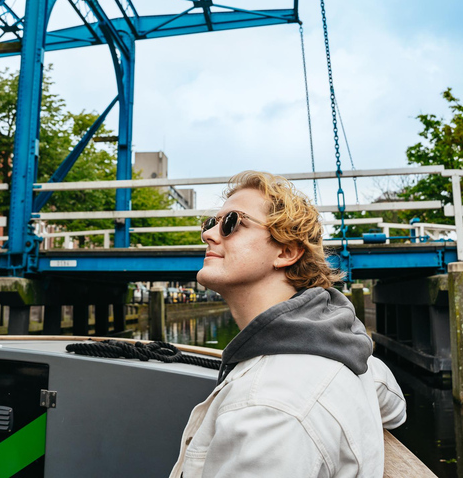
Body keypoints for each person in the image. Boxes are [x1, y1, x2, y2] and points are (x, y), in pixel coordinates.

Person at [169, 171, 407, 478]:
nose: (209, 234)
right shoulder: (340, 352)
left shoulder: (268, 410)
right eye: (210, 223)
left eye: (231, 223)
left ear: (286, 251)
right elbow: (394, 406)